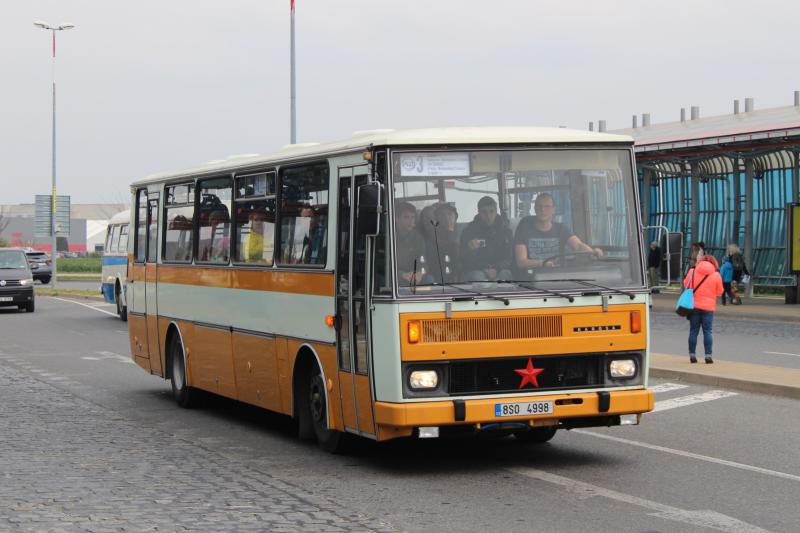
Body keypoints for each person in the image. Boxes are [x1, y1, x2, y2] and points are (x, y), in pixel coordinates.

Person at [514, 192, 603, 272]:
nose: (542, 210)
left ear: (553, 210)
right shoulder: (524, 229)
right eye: (539, 206)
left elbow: (578, 245)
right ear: (535, 209)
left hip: (558, 278)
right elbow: (521, 262)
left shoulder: (561, 229)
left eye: (547, 206)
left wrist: (592, 253)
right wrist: (542, 264)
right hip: (531, 281)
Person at [460, 196, 513, 282]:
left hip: (500, 269)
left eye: (491, 211)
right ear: (478, 212)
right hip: (476, 270)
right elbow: (463, 260)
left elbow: (509, 258)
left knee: (506, 275)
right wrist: (470, 251)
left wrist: (497, 269)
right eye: (484, 212)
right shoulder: (469, 232)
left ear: (496, 212)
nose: (488, 216)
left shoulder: (506, 231)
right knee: (478, 277)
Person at [683, 255, 724, 364]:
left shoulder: (692, 271)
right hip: (708, 308)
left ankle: (692, 355)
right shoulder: (716, 275)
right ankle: (708, 356)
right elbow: (720, 292)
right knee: (708, 331)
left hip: (694, 306)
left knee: (693, 331)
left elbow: (685, 284)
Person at [421, 202, 460, 283]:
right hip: (439, 278)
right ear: (437, 219)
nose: (446, 218)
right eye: (442, 215)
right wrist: (450, 234)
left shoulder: (463, 233)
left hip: (460, 276)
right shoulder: (432, 235)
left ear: (455, 217)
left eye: (449, 214)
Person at [394, 201, 426, 286]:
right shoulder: (389, 238)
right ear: (397, 219)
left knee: (430, 280)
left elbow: (423, 260)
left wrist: (420, 273)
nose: (411, 220)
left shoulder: (418, 238)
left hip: (414, 276)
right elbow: (382, 266)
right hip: (395, 277)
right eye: (406, 217)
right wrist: (401, 275)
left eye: (413, 217)